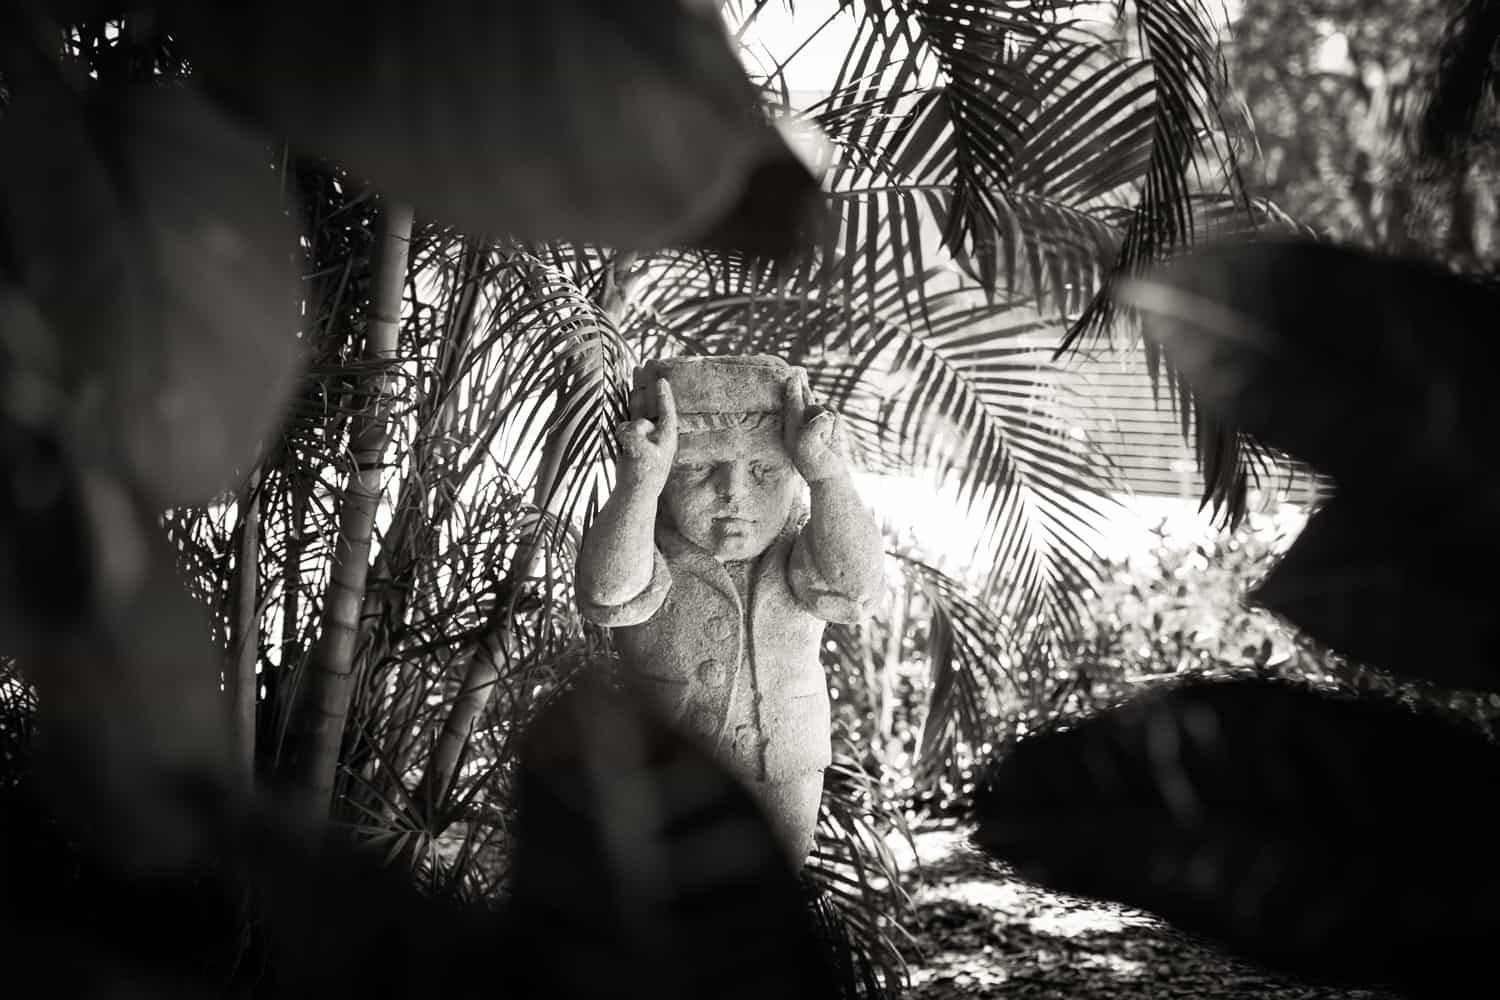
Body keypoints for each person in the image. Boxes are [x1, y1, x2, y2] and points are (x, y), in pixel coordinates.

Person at [575, 355, 885, 863]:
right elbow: (608, 595)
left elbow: (857, 592)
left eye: (764, 469)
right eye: (697, 468)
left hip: (782, 762)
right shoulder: (647, 540)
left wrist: (828, 476)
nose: (734, 493)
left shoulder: (801, 541)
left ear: (794, 470)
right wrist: (640, 485)